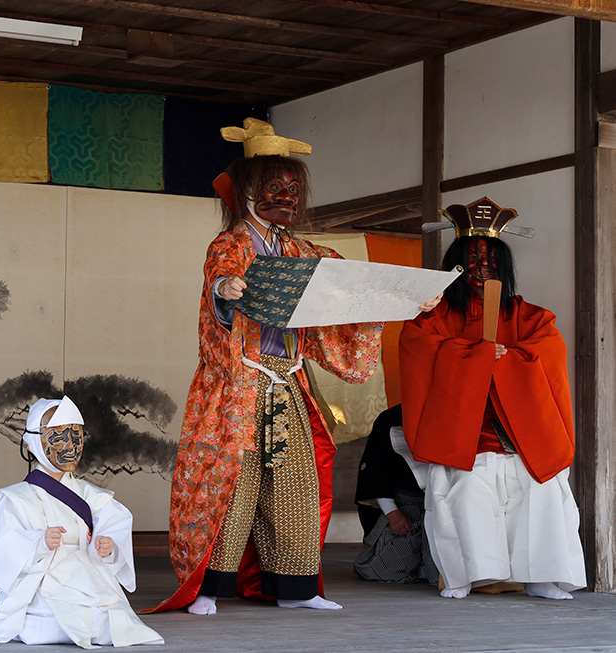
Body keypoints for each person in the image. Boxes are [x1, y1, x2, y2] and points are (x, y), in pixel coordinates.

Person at [151, 118, 384, 616]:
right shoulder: (230, 244)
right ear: (247, 192)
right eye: (274, 187)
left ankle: (296, 589)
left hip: (287, 380)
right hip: (238, 383)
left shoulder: (300, 250)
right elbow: (219, 275)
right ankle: (207, 588)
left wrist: (397, 298)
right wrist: (225, 289)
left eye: (293, 189)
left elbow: (346, 281)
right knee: (233, 483)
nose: (286, 197)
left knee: (295, 484)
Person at [400, 196, 585, 600]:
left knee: (540, 491)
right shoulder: (435, 317)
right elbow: (420, 349)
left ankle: (541, 576)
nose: (482, 269)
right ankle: (467, 576)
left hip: (521, 432)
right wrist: (477, 356)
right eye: (472, 261)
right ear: (455, 266)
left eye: (491, 261)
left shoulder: (528, 315)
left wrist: (509, 358)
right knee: (467, 495)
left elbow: (547, 350)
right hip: (466, 431)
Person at [0, 396, 163, 648]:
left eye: (76, 436)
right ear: (32, 443)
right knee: (50, 619)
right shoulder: (16, 498)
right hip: (42, 580)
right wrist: (39, 543)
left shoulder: (90, 495)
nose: (70, 446)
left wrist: (107, 547)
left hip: (87, 574)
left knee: (108, 619)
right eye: (58, 437)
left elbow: (113, 528)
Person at [352, 404, 439, 586]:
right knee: (384, 567)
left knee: (442, 569)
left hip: (442, 504)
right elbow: (374, 470)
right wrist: (391, 512)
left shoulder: (456, 414)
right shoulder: (391, 418)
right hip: (405, 505)